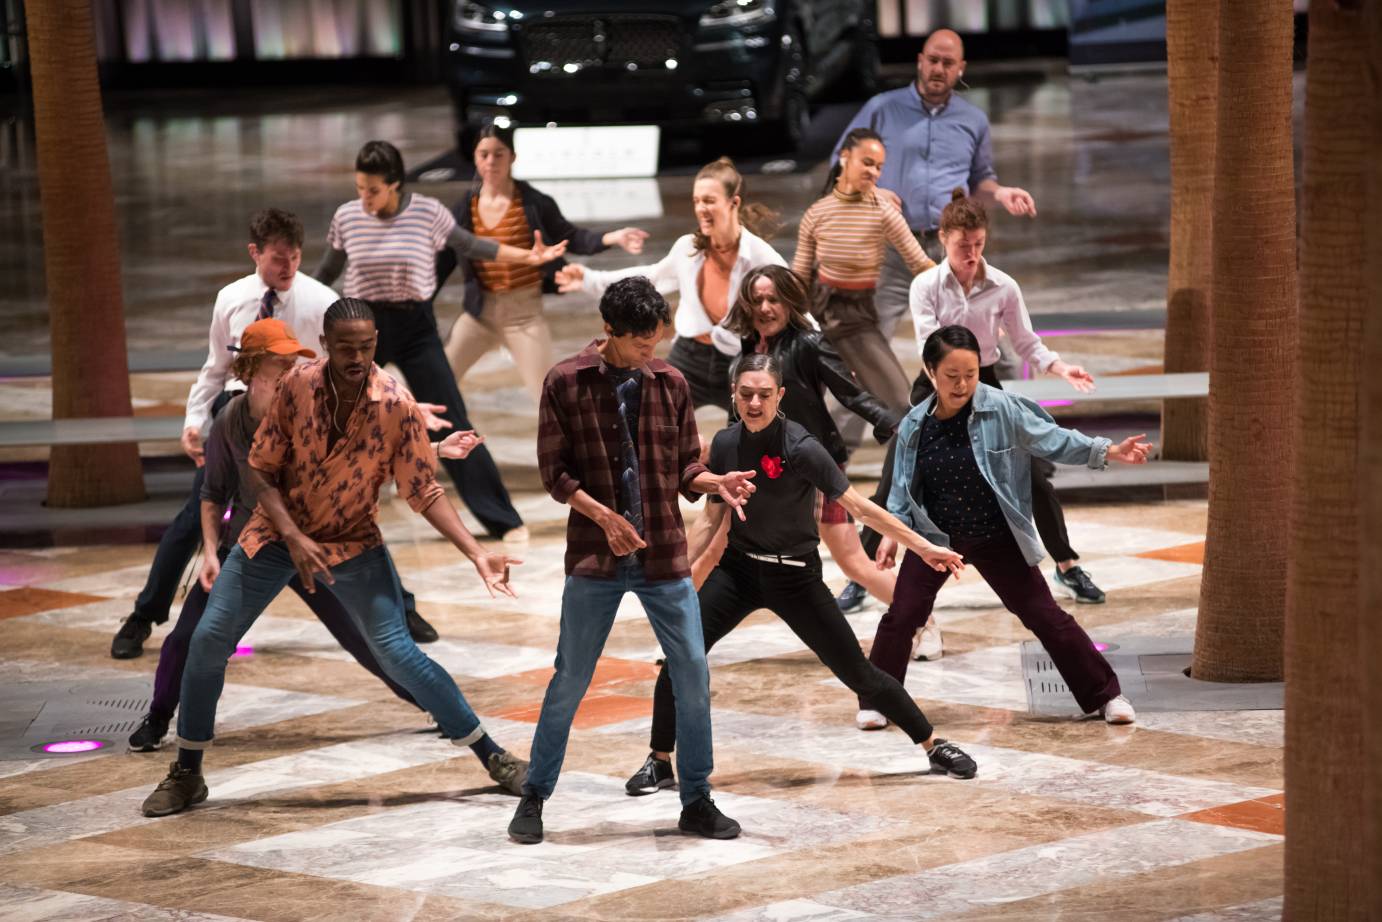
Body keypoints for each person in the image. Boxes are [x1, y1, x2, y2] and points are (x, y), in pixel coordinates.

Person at [140, 300, 527, 818]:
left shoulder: (394, 402)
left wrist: (477, 552)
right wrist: (294, 536)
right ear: (326, 343)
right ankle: (187, 771)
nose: (357, 357)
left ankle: (493, 756)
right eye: (346, 347)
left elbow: (423, 488)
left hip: (352, 543)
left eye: (366, 347)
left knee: (399, 653)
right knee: (208, 640)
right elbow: (260, 471)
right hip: (273, 537)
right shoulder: (296, 386)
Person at [623, 352, 976, 797]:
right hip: (739, 572)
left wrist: (922, 547)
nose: (754, 403)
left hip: (797, 578)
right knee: (680, 655)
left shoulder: (802, 447)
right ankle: (659, 761)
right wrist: (672, 572)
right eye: (746, 394)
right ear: (733, 395)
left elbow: (860, 507)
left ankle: (932, 743)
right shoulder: (726, 444)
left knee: (859, 674)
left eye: (764, 395)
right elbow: (711, 520)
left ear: (780, 396)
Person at [109, 208, 440, 658]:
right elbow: (215, 367)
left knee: (344, 510)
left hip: (300, 418)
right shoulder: (230, 298)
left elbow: (360, 364)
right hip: (239, 411)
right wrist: (194, 420)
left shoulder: (320, 298)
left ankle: (401, 608)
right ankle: (144, 614)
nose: (289, 267)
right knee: (197, 512)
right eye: (278, 259)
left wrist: (407, 407)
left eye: (296, 257)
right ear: (255, 253)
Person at [507, 278, 757, 845]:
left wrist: (712, 480)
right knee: (570, 677)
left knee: (692, 670)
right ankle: (534, 797)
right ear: (610, 331)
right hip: (596, 555)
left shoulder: (669, 383)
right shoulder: (565, 382)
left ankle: (696, 799)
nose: (652, 351)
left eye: (656, 339)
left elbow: (683, 466)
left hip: (664, 553)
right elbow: (555, 473)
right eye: (641, 342)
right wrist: (605, 519)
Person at [854, 325, 1148, 732]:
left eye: (970, 375)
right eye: (951, 376)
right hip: (937, 538)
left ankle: (1106, 694)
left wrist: (1109, 450)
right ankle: (878, 701)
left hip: (997, 534)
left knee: (1045, 615)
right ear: (929, 371)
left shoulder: (1002, 408)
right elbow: (903, 488)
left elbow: (1053, 439)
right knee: (903, 615)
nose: (962, 385)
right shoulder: (914, 427)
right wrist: (893, 534)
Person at [842, 192, 1109, 636]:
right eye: (962, 245)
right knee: (896, 476)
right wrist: (947, 387)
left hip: (985, 383)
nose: (971, 254)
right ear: (943, 240)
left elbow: (1025, 341)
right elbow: (934, 345)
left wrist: (1060, 366)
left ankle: (1066, 562)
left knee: (1033, 472)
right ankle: (864, 573)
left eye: (979, 244)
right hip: (937, 379)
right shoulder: (925, 285)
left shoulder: (1003, 285)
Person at [315, 140, 568, 542]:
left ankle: (503, 519)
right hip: (362, 332)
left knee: (450, 418)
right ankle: (323, 516)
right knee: (337, 420)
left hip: (415, 327)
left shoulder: (426, 212)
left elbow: (473, 246)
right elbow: (326, 273)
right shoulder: (347, 217)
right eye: (360, 188)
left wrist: (529, 259)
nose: (365, 198)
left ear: (395, 184)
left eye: (373, 189)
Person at [828, 27, 1037, 461]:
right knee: (862, 349)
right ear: (920, 60)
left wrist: (999, 194)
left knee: (992, 347)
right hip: (886, 247)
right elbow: (840, 162)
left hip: (950, 250)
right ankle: (834, 453)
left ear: (960, 69)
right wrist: (871, 189)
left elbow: (981, 177)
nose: (939, 69)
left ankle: (1018, 444)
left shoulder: (972, 119)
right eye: (932, 60)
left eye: (948, 63)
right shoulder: (882, 109)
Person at [714, 265, 902, 604]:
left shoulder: (808, 345)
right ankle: (686, 635)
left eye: (774, 299)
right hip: (766, 469)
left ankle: (920, 619)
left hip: (812, 464)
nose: (765, 308)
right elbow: (735, 420)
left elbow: (851, 393)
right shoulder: (744, 355)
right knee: (717, 543)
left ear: (789, 303)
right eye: (757, 299)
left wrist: (891, 422)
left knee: (853, 561)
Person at [556, 157, 784, 411]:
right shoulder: (688, 248)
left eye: (709, 201)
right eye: (696, 201)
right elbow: (650, 278)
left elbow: (794, 310)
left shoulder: (761, 258)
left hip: (739, 360)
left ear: (734, 202)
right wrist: (589, 279)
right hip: (688, 356)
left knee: (753, 436)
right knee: (650, 419)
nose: (701, 209)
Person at [441, 123, 649, 402]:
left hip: (523, 316)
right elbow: (442, 261)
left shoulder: (535, 203)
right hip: (479, 315)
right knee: (438, 382)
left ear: (512, 157)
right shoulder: (464, 208)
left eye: (499, 154)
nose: (491, 161)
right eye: (484, 154)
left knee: (549, 398)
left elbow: (572, 238)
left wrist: (614, 237)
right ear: (475, 158)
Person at [792, 128, 934, 416]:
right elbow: (798, 277)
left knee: (899, 404)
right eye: (867, 162)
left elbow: (921, 264)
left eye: (879, 167)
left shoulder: (882, 210)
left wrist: (963, 291)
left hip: (855, 317)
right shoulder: (817, 213)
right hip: (816, 314)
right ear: (845, 157)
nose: (873, 172)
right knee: (799, 407)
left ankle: (901, 459)